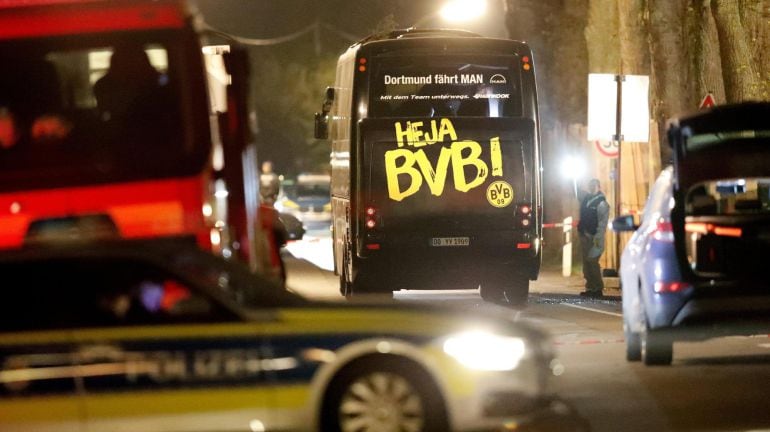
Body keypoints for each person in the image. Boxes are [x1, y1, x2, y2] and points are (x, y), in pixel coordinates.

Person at [577, 178, 609, 298]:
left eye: (593, 186)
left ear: (598, 187)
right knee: (586, 263)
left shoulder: (601, 203)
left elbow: (602, 223)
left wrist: (598, 237)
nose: (591, 188)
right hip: (584, 235)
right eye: (590, 185)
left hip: (594, 237)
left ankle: (598, 288)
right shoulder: (587, 199)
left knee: (592, 262)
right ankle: (590, 287)